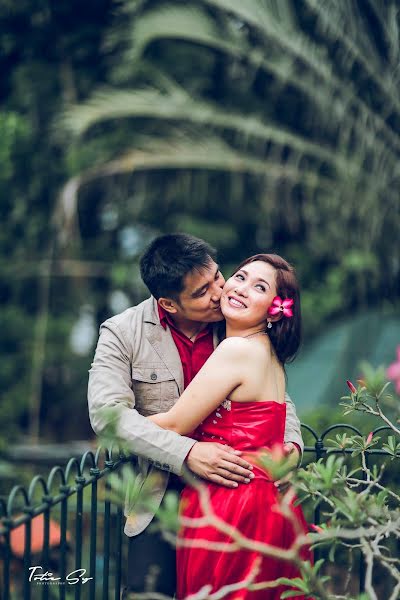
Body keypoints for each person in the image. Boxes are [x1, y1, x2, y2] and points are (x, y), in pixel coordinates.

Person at [88, 234, 304, 597]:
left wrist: (290, 447)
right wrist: (186, 452)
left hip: (234, 494)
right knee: (150, 592)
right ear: (169, 304)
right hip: (163, 491)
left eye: (219, 277)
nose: (220, 292)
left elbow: (278, 400)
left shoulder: (234, 321)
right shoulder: (123, 333)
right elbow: (108, 415)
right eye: (203, 291)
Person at [148, 252, 311, 599]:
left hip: (233, 500)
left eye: (259, 287)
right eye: (240, 277)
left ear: (274, 308)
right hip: (269, 502)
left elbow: (175, 423)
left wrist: (119, 425)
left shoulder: (236, 350)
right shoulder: (266, 351)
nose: (240, 288)